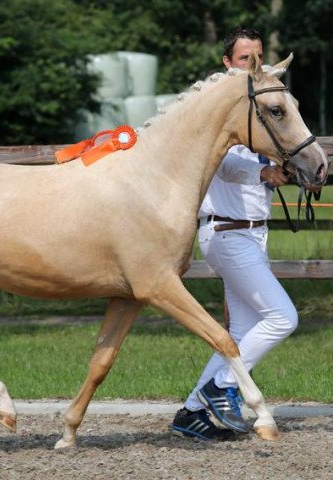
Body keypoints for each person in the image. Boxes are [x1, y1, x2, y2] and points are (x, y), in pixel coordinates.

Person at [171, 27, 298, 441]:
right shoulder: (218, 109)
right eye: (246, 58)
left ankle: (191, 412)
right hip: (228, 234)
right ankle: (219, 388)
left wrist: (284, 170)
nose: (254, 65)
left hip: (251, 235)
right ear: (228, 63)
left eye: (258, 56)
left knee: (242, 334)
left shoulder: (255, 105)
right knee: (283, 318)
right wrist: (261, 170)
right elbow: (225, 163)